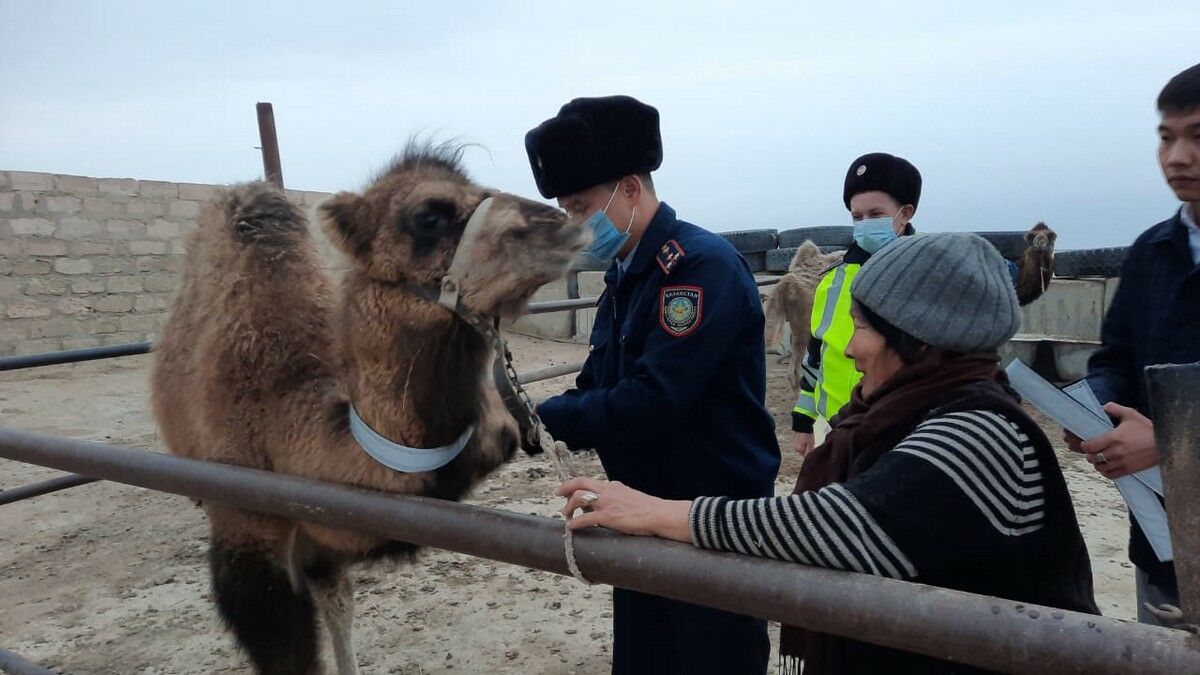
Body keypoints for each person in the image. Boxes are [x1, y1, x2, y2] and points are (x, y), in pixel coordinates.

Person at [560, 233, 1099, 675]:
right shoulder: (894, 417)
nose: (847, 347)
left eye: (862, 327)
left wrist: (655, 512)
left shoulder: (982, 434)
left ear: (920, 341)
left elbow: (841, 527)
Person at [525, 95, 781, 674]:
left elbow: (652, 399)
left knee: (711, 659)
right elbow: (596, 381)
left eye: (580, 207)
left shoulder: (696, 267)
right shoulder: (626, 273)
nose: (573, 225)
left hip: (711, 523)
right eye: (565, 210)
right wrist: (532, 415)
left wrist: (546, 419)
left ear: (630, 190)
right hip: (639, 513)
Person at [1066, 61, 1200, 625]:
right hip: (1163, 544)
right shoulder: (1152, 252)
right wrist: (1093, 412)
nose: (1177, 157)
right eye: (1166, 137)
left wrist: (1172, 443)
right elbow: (1114, 358)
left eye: (1198, 136)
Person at [791, 153, 922, 457]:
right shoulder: (832, 281)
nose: (865, 224)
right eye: (857, 217)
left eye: (875, 214)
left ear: (904, 214)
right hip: (833, 428)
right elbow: (816, 355)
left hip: (901, 429)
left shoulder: (927, 276)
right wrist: (804, 421)